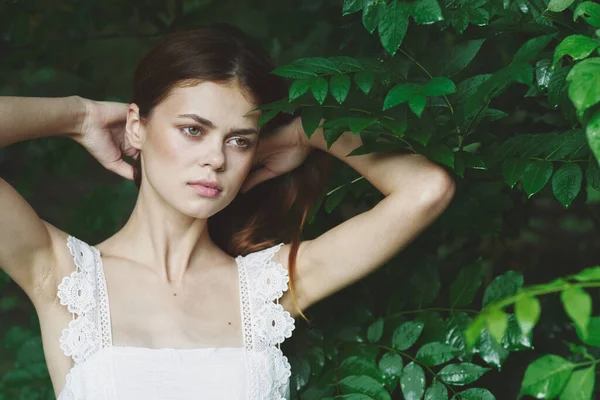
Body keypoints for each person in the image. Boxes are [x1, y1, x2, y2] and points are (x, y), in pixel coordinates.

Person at [0, 25, 455, 400]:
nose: (217, 159)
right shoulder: (62, 276)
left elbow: (427, 189)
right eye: (193, 130)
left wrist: (307, 134)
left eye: (239, 140)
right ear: (137, 127)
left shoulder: (269, 289)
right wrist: (78, 117)